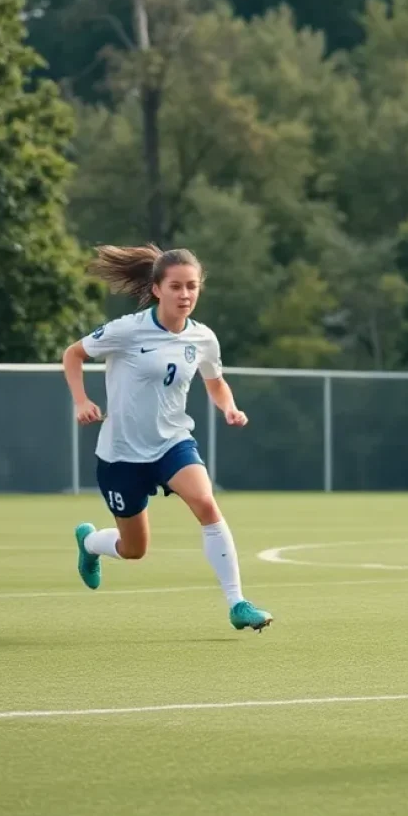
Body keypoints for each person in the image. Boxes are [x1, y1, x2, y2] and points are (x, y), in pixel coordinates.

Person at [61, 244, 272, 633]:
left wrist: (229, 407)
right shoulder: (127, 330)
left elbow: (216, 382)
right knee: (134, 550)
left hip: (172, 443)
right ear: (157, 289)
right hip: (121, 454)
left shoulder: (204, 338)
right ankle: (90, 544)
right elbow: (72, 355)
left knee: (206, 504)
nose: (185, 294)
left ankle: (237, 603)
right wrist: (81, 400)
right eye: (176, 286)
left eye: (192, 286)